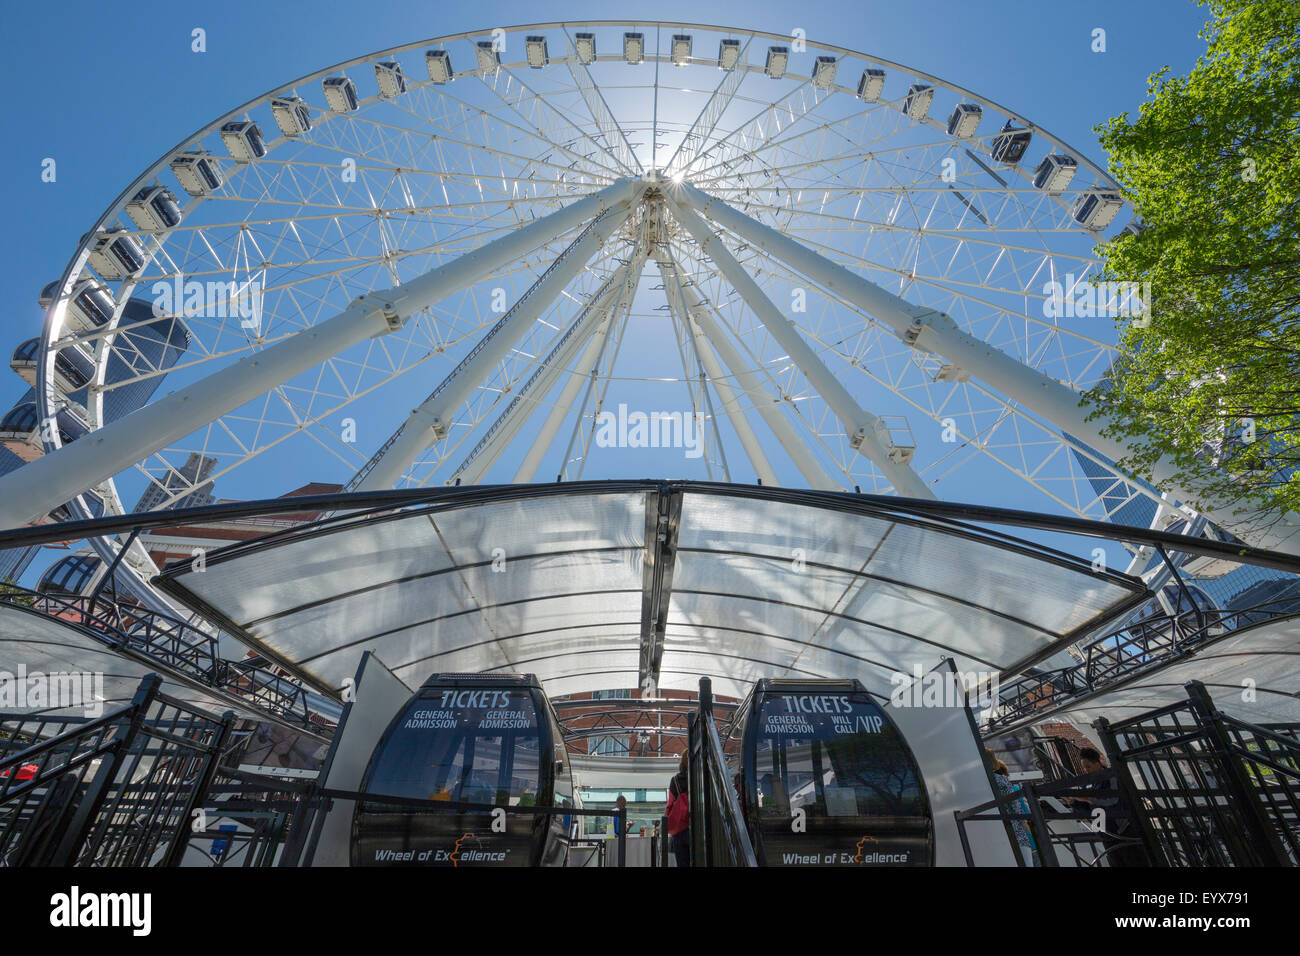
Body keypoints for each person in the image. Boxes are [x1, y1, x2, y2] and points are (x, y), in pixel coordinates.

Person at [1067, 746, 1147, 866]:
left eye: (1088, 767)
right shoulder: (1089, 783)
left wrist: (1087, 798)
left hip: (1121, 830)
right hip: (1105, 832)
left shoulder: (1111, 777)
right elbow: (1088, 808)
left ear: (1097, 763)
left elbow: (1113, 799)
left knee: (1133, 861)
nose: (1086, 770)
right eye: (1084, 767)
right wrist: (1073, 802)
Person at [985, 749, 1037, 865]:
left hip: (991, 833)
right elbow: (1015, 808)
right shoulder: (1001, 780)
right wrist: (1028, 828)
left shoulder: (980, 782)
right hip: (1014, 831)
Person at [665, 751, 691, 867]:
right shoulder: (700, 776)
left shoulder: (675, 780)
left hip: (680, 830)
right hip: (698, 828)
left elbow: (670, 805)